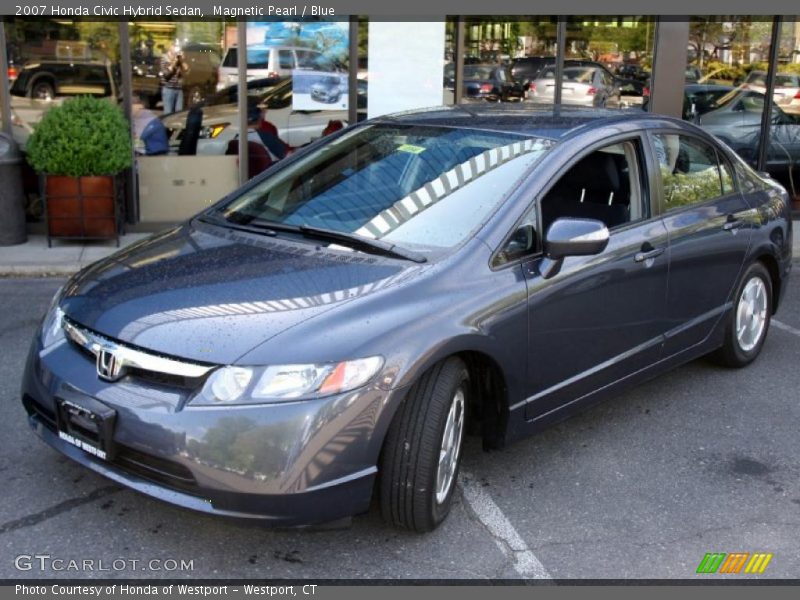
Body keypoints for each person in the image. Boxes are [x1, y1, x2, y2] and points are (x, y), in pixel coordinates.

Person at [159, 43, 189, 115]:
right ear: (170, 48)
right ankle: (168, 126)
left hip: (178, 89)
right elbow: (166, 74)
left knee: (179, 114)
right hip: (169, 89)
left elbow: (187, 70)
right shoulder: (164, 59)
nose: (177, 50)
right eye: (175, 47)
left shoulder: (179, 59)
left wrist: (182, 60)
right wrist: (174, 62)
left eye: (177, 48)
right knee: (168, 114)